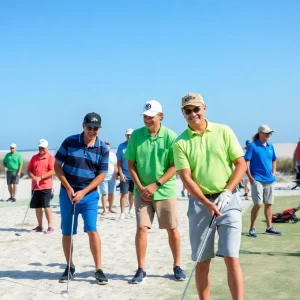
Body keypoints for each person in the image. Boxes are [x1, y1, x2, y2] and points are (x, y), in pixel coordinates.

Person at [173, 93, 246, 300]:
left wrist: (227, 191)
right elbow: (186, 179)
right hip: (199, 204)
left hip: (228, 201)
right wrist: (206, 203)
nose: (193, 113)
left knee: (231, 257)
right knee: (202, 261)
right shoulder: (180, 143)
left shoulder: (224, 131)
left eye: (196, 109)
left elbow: (240, 164)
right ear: (183, 113)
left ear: (204, 108)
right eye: (188, 111)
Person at [125, 100, 186, 284]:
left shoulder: (171, 136)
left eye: (151, 117)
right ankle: (141, 268)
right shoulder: (135, 135)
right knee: (142, 228)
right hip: (141, 192)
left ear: (161, 116)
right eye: (145, 116)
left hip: (164, 191)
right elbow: (130, 164)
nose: (147, 120)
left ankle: (177, 265)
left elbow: (174, 166)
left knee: (172, 229)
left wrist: (156, 185)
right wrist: (141, 187)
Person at [54, 112, 109, 285]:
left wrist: (83, 192)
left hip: (89, 195)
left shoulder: (103, 148)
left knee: (92, 229)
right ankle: (69, 267)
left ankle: (98, 269)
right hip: (67, 194)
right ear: (83, 126)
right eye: (89, 127)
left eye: (96, 128)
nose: (92, 131)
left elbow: (101, 175)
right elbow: (57, 166)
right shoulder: (70, 141)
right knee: (67, 231)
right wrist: (69, 189)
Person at [245, 125, 282, 237]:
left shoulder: (271, 146)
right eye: (266, 133)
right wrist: (250, 177)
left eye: (270, 133)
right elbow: (246, 161)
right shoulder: (252, 146)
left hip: (270, 180)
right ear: (260, 133)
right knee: (258, 204)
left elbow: (274, 159)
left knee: (269, 204)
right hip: (257, 179)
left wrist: (274, 171)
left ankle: (269, 227)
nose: (268, 135)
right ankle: (252, 228)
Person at [27, 139, 55, 233]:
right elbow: (29, 170)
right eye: (40, 147)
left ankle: (50, 226)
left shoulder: (50, 157)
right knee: (37, 206)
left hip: (46, 186)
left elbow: (53, 171)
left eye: (43, 147)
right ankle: (39, 226)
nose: (41, 149)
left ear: (47, 147)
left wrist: (40, 177)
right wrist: (34, 177)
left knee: (46, 205)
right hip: (35, 186)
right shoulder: (34, 157)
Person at [116, 128, 135, 221]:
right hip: (125, 174)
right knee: (124, 194)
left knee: (133, 194)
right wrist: (120, 173)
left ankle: (131, 210)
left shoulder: (136, 145)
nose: (129, 136)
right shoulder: (121, 146)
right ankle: (122, 213)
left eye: (131, 135)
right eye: (128, 135)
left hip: (134, 175)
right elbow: (118, 162)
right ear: (125, 136)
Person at [99, 141, 118, 215]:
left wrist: (116, 174)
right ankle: (104, 209)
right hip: (103, 177)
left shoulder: (113, 155)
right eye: (105, 145)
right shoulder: (100, 154)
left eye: (108, 145)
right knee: (104, 193)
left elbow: (115, 165)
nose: (107, 147)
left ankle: (110, 208)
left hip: (112, 177)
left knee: (111, 193)